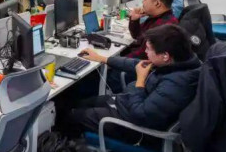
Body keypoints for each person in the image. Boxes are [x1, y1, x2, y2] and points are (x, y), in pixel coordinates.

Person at [68, 24, 200, 145]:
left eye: (148, 49)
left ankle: (69, 150)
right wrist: (103, 59)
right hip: (127, 104)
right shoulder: (177, 62)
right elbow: (137, 65)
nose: (145, 52)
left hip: (134, 127)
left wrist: (140, 81)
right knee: (78, 103)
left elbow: (140, 115)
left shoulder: (176, 85)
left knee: (72, 116)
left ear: (165, 55)